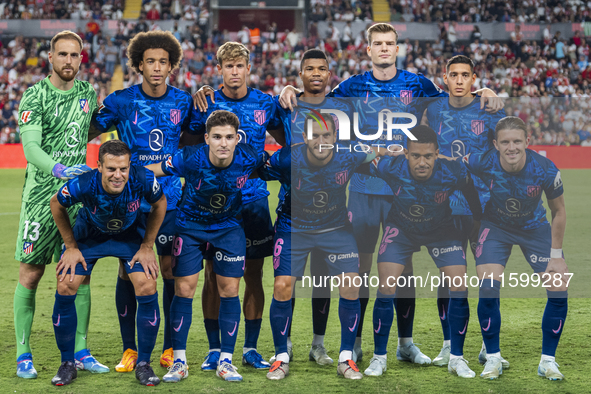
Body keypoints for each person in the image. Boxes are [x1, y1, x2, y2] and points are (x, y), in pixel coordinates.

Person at [279, 23, 501, 363]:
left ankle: (405, 343)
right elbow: (317, 97)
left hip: (405, 190)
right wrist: (292, 88)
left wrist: (483, 89)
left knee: (403, 266)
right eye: (377, 44)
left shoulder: (418, 85)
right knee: (361, 268)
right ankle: (352, 343)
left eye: (390, 43)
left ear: (398, 49)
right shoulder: (351, 87)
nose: (384, 48)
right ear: (367, 49)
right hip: (364, 188)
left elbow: (458, 99)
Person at [90, 30, 199, 371]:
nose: (156, 68)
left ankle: (168, 348)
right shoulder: (121, 100)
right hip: (129, 203)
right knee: (128, 272)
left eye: (162, 62)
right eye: (149, 61)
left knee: (167, 270)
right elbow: (87, 130)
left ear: (172, 66)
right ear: (139, 65)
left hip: (171, 200)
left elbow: (199, 138)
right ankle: (129, 350)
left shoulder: (184, 101)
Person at [260, 115, 387, 380]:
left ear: (335, 138)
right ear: (304, 138)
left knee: (351, 283)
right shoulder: (287, 158)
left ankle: (346, 358)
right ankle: (281, 357)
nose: (321, 141)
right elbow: (256, 169)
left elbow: (378, 151)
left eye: (326, 136)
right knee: (283, 286)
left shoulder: (349, 156)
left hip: (335, 229)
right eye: (314, 136)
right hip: (293, 227)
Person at [146, 110, 266, 382]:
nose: (223, 143)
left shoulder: (249, 156)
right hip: (190, 228)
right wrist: (123, 174)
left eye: (228, 137)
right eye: (217, 137)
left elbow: (280, 166)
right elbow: (154, 169)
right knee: (184, 289)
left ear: (237, 139)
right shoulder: (188, 157)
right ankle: (179, 362)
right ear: (207, 138)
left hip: (229, 229)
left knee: (230, 290)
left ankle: (226, 360)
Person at [14, 30, 106, 379]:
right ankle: (24, 353)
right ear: (50, 58)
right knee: (32, 274)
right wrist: (58, 168)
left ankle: (80, 350)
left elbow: (91, 127)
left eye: (75, 55)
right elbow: (31, 149)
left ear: (81, 59)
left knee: (78, 275)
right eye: (62, 54)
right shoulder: (34, 96)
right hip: (40, 198)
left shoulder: (87, 92)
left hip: (77, 200)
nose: (69, 61)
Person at [189, 41, 282, 371]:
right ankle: (215, 348)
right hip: (215, 205)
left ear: (248, 68)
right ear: (219, 70)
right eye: (228, 66)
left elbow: (288, 137)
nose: (234, 72)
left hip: (254, 201)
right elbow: (188, 142)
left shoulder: (265, 103)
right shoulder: (206, 103)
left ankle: (250, 348)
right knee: (214, 276)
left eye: (239, 66)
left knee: (254, 275)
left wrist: (287, 91)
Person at [363, 125, 481, 378]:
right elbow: (357, 163)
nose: (422, 162)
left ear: (438, 154)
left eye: (428, 156)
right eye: (416, 155)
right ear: (406, 153)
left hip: (441, 230)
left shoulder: (453, 170)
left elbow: (471, 190)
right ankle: (379, 358)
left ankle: (457, 359)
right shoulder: (389, 166)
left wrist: (478, 222)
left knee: (459, 284)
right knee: (386, 286)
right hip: (401, 229)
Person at [49, 140, 167, 386]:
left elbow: (160, 204)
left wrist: (147, 246)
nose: (118, 175)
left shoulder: (143, 178)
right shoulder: (83, 183)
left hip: (129, 236)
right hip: (90, 236)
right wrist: (70, 247)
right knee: (66, 284)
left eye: (123, 168)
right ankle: (67, 363)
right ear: (99, 166)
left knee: (147, 284)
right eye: (111, 169)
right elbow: (56, 203)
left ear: (129, 165)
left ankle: (144, 363)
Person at [464, 116, 568, 380]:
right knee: (487, 287)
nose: (512, 147)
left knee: (559, 286)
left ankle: (548, 361)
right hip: (496, 226)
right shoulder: (482, 160)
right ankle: (493, 357)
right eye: (506, 142)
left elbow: (559, 212)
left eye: (517, 141)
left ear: (528, 142)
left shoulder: (545, 169)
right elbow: (455, 163)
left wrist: (556, 256)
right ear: (496, 144)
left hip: (534, 228)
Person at [422, 55, 508, 368]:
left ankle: (489, 347)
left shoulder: (489, 108)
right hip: (444, 203)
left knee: (488, 276)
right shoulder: (432, 109)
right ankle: (448, 344)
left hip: (485, 203)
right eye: (454, 75)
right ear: (445, 77)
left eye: (465, 75)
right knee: (449, 276)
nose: (459, 81)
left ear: (474, 78)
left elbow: (508, 149)